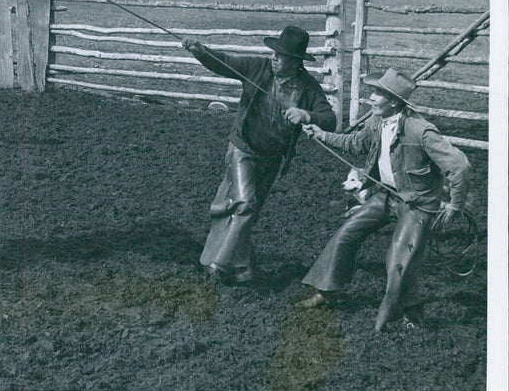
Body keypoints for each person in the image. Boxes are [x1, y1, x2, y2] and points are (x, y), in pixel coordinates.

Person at [299, 67, 471, 331]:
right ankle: (326, 291)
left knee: (398, 259)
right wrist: (321, 135)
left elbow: (459, 166)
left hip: (418, 204)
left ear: (393, 100)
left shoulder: (421, 131)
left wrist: (455, 206)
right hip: (388, 195)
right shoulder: (377, 121)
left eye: (377, 93)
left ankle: (407, 314)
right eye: (372, 91)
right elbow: (356, 143)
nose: (371, 97)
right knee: (346, 233)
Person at [182, 25, 336, 285]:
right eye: (274, 54)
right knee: (244, 202)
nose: (274, 58)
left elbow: (330, 119)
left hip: (273, 159)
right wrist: (201, 51)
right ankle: (221, 267)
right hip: (243, 148)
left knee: (244, 211)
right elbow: (225, 63)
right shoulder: (258, 69)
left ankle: (239, 266)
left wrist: (307, 115)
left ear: (296, 62)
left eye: (281, 55)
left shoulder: (308, 88)